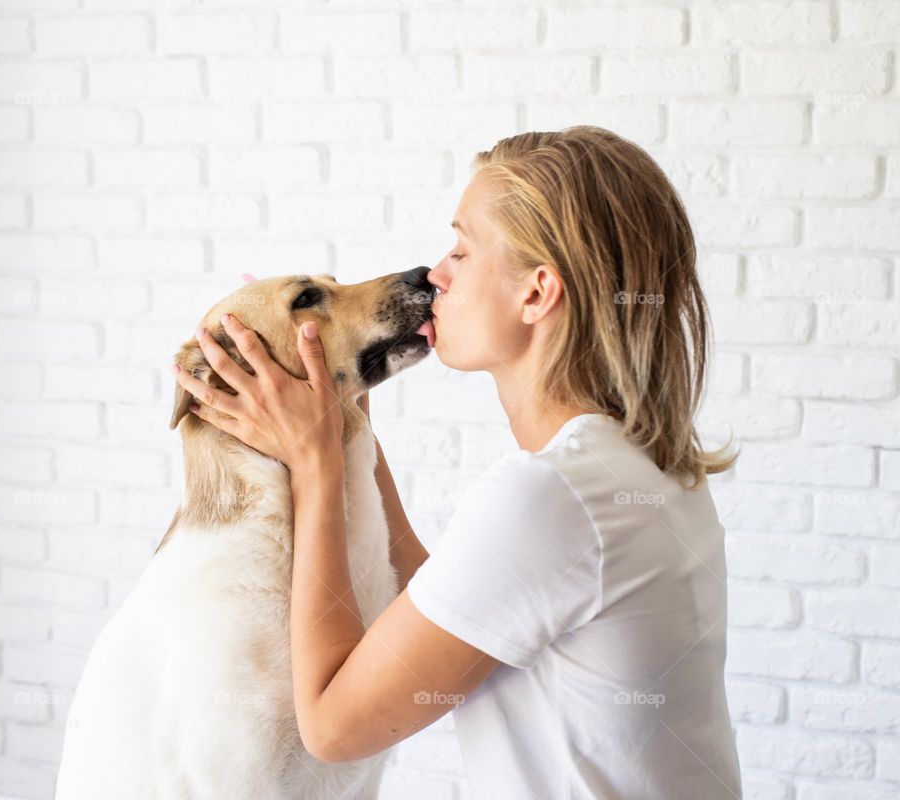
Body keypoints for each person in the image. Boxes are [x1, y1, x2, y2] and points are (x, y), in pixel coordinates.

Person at [175, 126, 743, 799]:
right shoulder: (644, 466)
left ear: (535, 294)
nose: (435, 273)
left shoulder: (551, 497)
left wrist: (315, 463)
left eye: (462, 251)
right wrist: (340, 418)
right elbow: (438, 597)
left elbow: (330, 724)